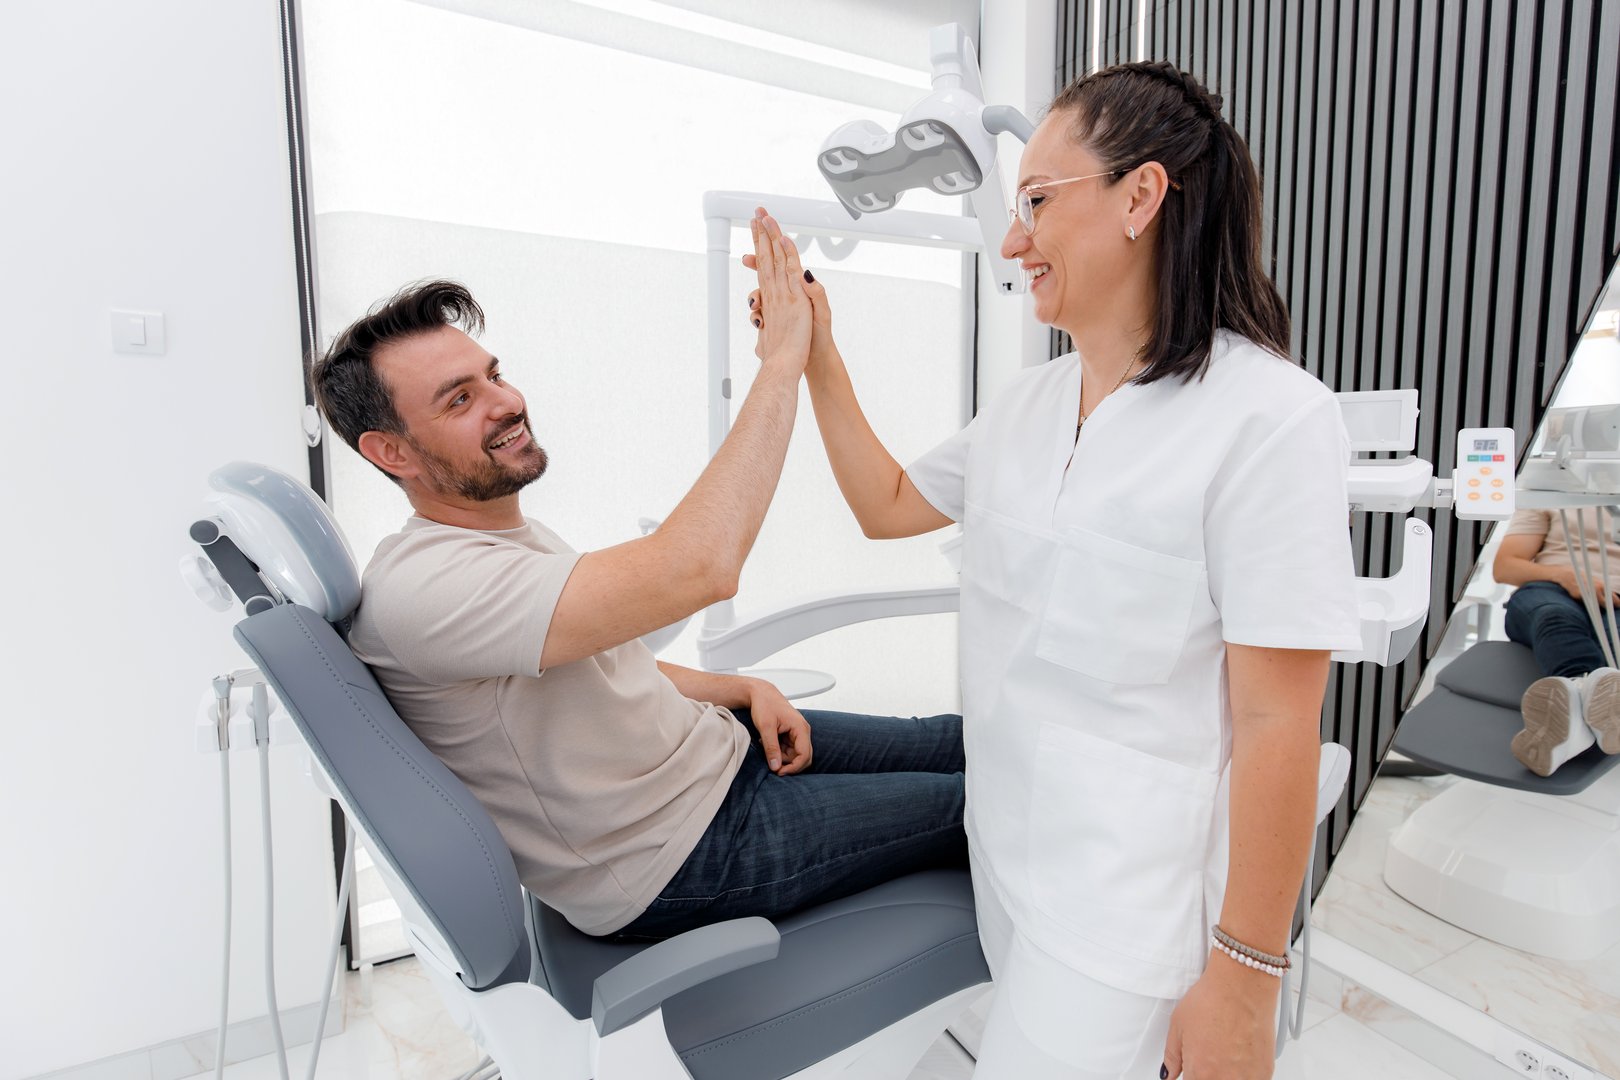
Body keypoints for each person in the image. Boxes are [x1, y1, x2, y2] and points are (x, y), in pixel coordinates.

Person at [749, 63, 1360, 1077]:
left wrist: (1247, 981)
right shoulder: (1028, 407)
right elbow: (885, 504)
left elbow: (1278, 722)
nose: (1012, 239)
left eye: (1036, 200)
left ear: (1140, 197)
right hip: (1006, 861)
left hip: (1124, 921)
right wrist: (818, 358)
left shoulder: (1271, 419)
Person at [308, 216, 966, 942]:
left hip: (719, 758)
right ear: (390, 452)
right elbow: (702, 566)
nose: (506, 402)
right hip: (683, 855)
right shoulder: (428, 589)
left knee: (961, 740)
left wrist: (738, 689)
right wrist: (782, 360)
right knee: (990, 801)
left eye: (493, 375)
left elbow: (602, 665)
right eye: (458, 399)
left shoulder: (493, 536)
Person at [1494, 507, 1620, 776]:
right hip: (1551, 589)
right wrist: (1565, 576)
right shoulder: (1554, 493)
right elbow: (1505, 566)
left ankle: (1572, 727)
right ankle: (1583, 692)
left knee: (1615, 649)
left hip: (1616, 601)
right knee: (1554, 617)